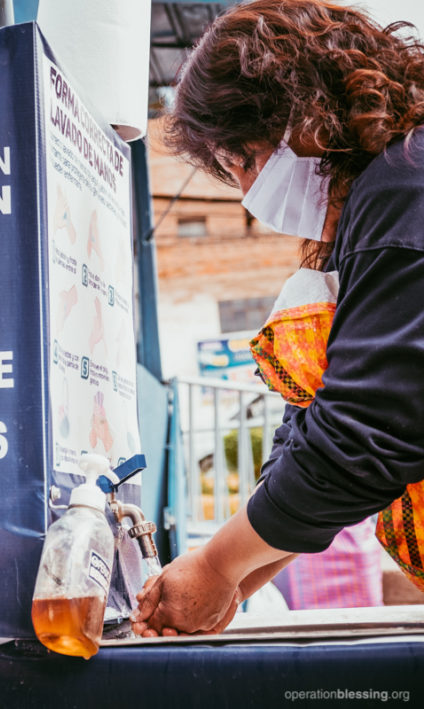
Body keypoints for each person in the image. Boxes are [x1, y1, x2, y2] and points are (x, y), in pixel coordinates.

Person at [132, 0, 424, 637]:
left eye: (245, 161)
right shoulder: (374, 211)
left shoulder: (403, 190)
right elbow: (320, 430)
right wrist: (236, 576)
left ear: (303, 115)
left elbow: (361, 439)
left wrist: (217, 564)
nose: (245, 193)